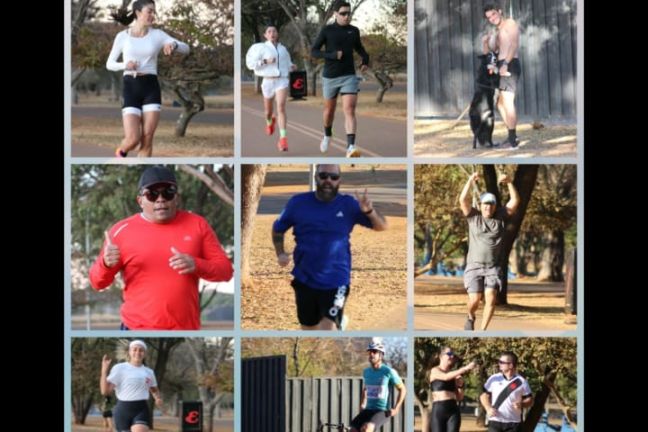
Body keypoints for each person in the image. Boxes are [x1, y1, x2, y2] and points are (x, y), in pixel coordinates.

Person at [89, 165, 233, 330]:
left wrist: (196, 264)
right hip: (136, 327)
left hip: (185, 329)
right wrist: (105, 264)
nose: (160, 199)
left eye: (168, 192)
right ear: (140, 200)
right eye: (152, 194)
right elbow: (96, 282)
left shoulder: (197, 224)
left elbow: (226, 271)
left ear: (177, 197)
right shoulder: (120, 231)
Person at [272, 164, 388, 330]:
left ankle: (336, 323)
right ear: (316, 177)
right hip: (305, 278)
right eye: (324, 175)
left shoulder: (348, 205)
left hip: (337, 280)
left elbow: (382, 226)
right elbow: (278, 229)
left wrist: (369, 212)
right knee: (308, 330)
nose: (328, 180)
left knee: (328, 329)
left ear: (339, 180)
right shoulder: (297, 203)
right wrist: (280, 253)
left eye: (333, 177)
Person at [106, 0, 189, 157]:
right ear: (138, 13)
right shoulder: (122, 37)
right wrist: (125, 65)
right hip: (131, 86)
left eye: (154, 11)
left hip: (150, 87)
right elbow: (109, 64)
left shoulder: (157, 35)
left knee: (147, 138)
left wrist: (174, 45)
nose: (153, 15)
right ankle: (120, 154)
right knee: (133, 139)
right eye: (149, 11)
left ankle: (143, 164)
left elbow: (186, 48)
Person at [459, 172, 519, 331]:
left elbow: (515, 201)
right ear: (480, 205)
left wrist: (510, 182)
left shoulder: (500, 217)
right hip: (474, 266)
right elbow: (462, 200)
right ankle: (471, 316)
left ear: (495, 206)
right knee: (475, 300)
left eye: (491, 204)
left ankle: (483, 330)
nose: (488, 206)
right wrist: (470, 181)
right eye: (485, 203)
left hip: (493, 267)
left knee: (491, 299)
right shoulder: (474, 217)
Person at [311, 1, 369, 158]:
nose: (347, 16)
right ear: (335, 14)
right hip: (330, 77)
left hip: (349, 75)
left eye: (349, 13)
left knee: (349, 109)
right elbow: (314, 51)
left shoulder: (353, 31)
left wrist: (365, 60)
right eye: (343, 13)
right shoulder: (327, 30)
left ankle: (350, 147)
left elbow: (360, 49)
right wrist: (331, 55)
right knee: (329, 111)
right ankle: (327, 134)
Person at [245, 25, 297, 152]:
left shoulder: (283, 49)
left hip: (282, 81)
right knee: (268, 112)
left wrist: (292, 67)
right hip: (268, 81)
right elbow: (250, 64)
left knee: (281, 107)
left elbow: (288, 64)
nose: (272, 33)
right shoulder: (260, 48)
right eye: (269, 31)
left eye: (274, 31)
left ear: (277, 34)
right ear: (265, 35)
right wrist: (265, 61)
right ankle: (270, 121)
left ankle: (283, 139)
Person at [482, 3, 521, 149]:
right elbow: (490, 52)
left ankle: (513, 141)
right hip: (500, 67)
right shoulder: (497, 31)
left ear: (499, 11)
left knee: (507, 100)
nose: (492, 18)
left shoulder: (510, 23)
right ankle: (512, 136)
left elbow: (514, 44)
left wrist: (505, 63)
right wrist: (485, 42)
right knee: (500, 103)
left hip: (510, 64)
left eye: (493, 14)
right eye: (489, 17)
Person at [101, 340, 163, 432]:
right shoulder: (119, 368)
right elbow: (105, 392)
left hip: (141, 408)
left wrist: (157, 398)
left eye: (141, 350)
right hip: (123, 409)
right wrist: (104, 371)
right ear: (129, 352)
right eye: (135, 349)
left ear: (145, 353)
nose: (138, 352)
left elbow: (153, 389)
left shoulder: (149, 372)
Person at [350, 339, 406, 432]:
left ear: (381, 355)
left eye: (374, 352)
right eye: (370, 352)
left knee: (367, 428)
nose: (371, 354)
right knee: (351, 429)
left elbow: (403, 389)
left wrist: (396, 408)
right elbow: (366, 389)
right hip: (368, 410)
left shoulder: (389, 372)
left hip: (382, 411)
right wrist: (362, 405)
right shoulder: (366, 372)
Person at [480, 351, 534, 431]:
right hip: (495, 421)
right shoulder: (494, 378)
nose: (499, 364)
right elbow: (483, 395)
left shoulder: (521, 381)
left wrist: (522, 404)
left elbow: (530, 399)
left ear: (511, 365)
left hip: (513, 423)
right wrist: (488, 408)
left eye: (502, 362)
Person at [428, 347, 477, 432]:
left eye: (453, 355)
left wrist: (460, 386)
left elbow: (459, 397)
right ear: (441, 356)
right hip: (439, 410)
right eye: (449, 354)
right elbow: (445, 377)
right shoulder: (435, 370)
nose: (452, 356)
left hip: (453, 410)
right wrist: (465, 368)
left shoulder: (454, 375)